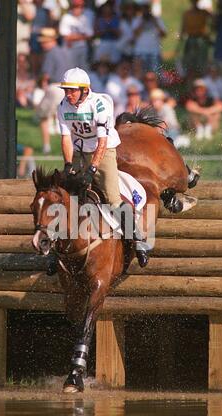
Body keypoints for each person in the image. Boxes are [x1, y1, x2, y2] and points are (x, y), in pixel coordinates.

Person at [57, 67, 150, 267]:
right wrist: (67, 165)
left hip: (104, 150)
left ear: (84, 89)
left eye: (72, 90)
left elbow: (102, 142)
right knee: (66, 196)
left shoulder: (99, 105)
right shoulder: (63, 105)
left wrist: (92, 169)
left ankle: (138, 240)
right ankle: (55, 249)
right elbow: (65, 138)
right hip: (79, 150)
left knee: (113, 199)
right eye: (66, 90)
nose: (68, 94)